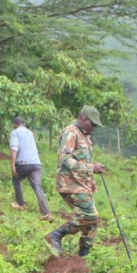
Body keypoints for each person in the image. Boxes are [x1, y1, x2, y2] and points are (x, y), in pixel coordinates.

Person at [45, 106, 105, 257]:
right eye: (93, 124)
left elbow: (82, 157)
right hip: (70, 184)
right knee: (90, 215)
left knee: (91, 223)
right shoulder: (71, 132)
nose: (95, 128)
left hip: (82, 184)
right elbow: (64, 159)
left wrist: (91, 179)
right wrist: (92, 168)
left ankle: (83, 256)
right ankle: (56, 235)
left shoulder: (85, 134)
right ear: (84, 119)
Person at [9, 116, 52, 222]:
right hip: (36, 164)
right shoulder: (30, 133)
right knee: (38, 187)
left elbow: (14, 148)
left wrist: (13, 165)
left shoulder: (15, 132)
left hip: (24, 163)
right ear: (23, 124)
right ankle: (46, 213)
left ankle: (20, 204)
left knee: (16, 180)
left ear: (15, 124)